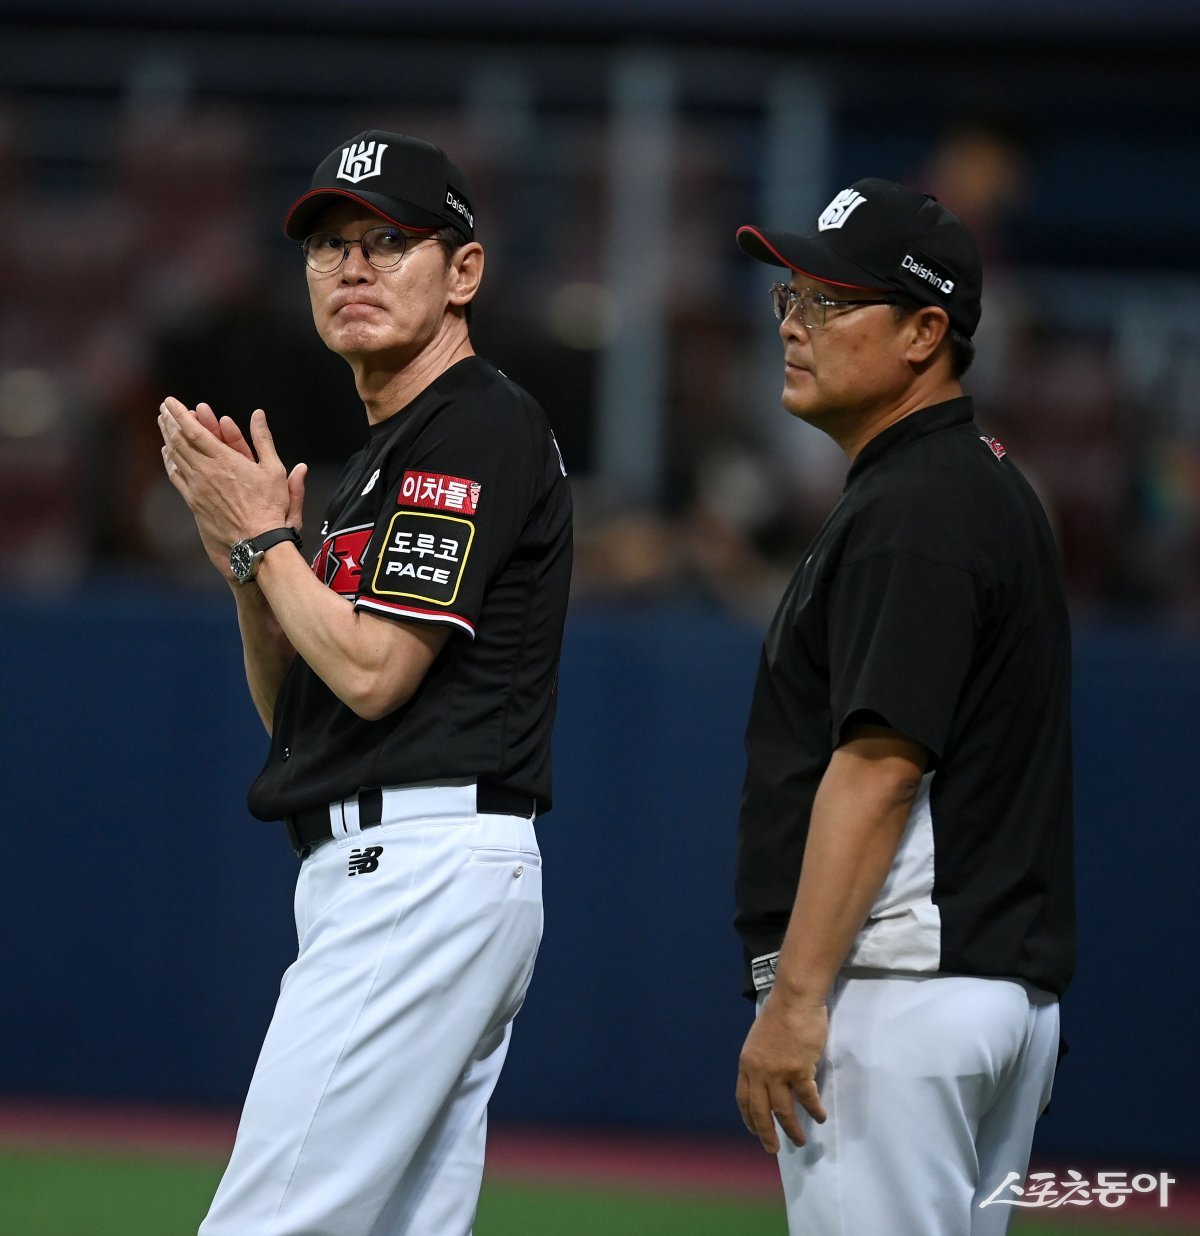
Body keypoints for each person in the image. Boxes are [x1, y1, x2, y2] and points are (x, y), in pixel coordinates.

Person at [158, 129, 572, 1236]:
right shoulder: (390, 452)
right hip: (398, 866)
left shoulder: (475, 421)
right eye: (329, 244)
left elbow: (376, 674)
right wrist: (251, 566)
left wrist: (266, 542)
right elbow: (304, 716)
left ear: (464, 271)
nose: (353, 267)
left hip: (419, 869)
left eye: (389, 243)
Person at [731, 179, 1075, 1235]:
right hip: (982, 987)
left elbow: (881, 767)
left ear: (926, 332)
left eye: (832, 302)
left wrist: (797, 998)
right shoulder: (980, 482)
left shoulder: (915, 506)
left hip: (896, 989)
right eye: (791, 296)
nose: (794, 324)